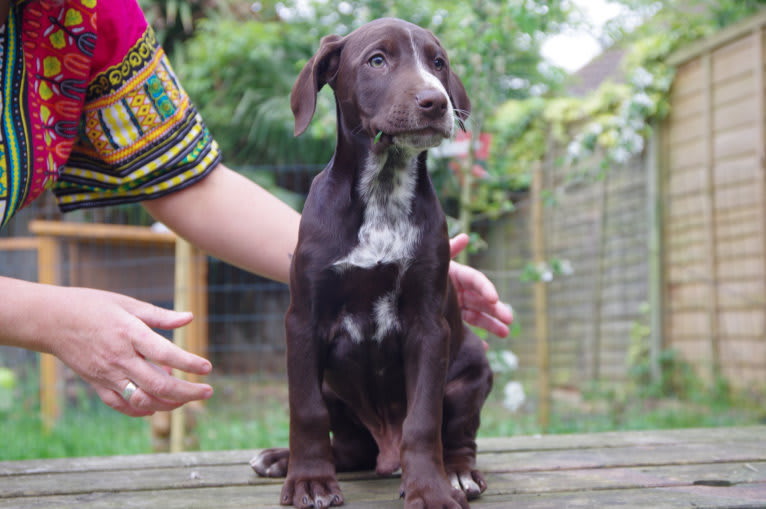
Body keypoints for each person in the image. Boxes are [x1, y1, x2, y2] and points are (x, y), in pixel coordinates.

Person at [0, 0, 513, 418]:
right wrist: (49, 317)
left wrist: (366, 265)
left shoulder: (88, 13)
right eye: (379, 59)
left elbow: (184, 178)